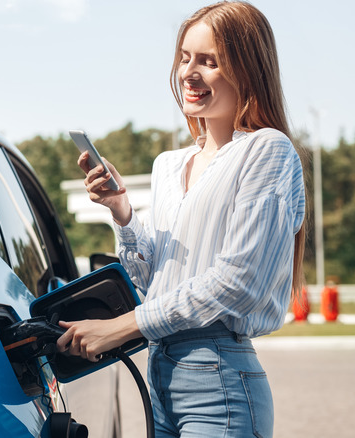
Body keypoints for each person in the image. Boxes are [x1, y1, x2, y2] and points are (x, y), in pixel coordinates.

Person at [55, 2, 306, 437]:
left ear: (248, 69)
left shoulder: (267, 151)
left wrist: (119, 328)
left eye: (210, 61)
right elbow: (153, 279)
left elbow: (237, 282)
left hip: (219, 380)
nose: (190, 72)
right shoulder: (169, 165)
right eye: (185, 57)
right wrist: (122, 212)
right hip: (162, 377)